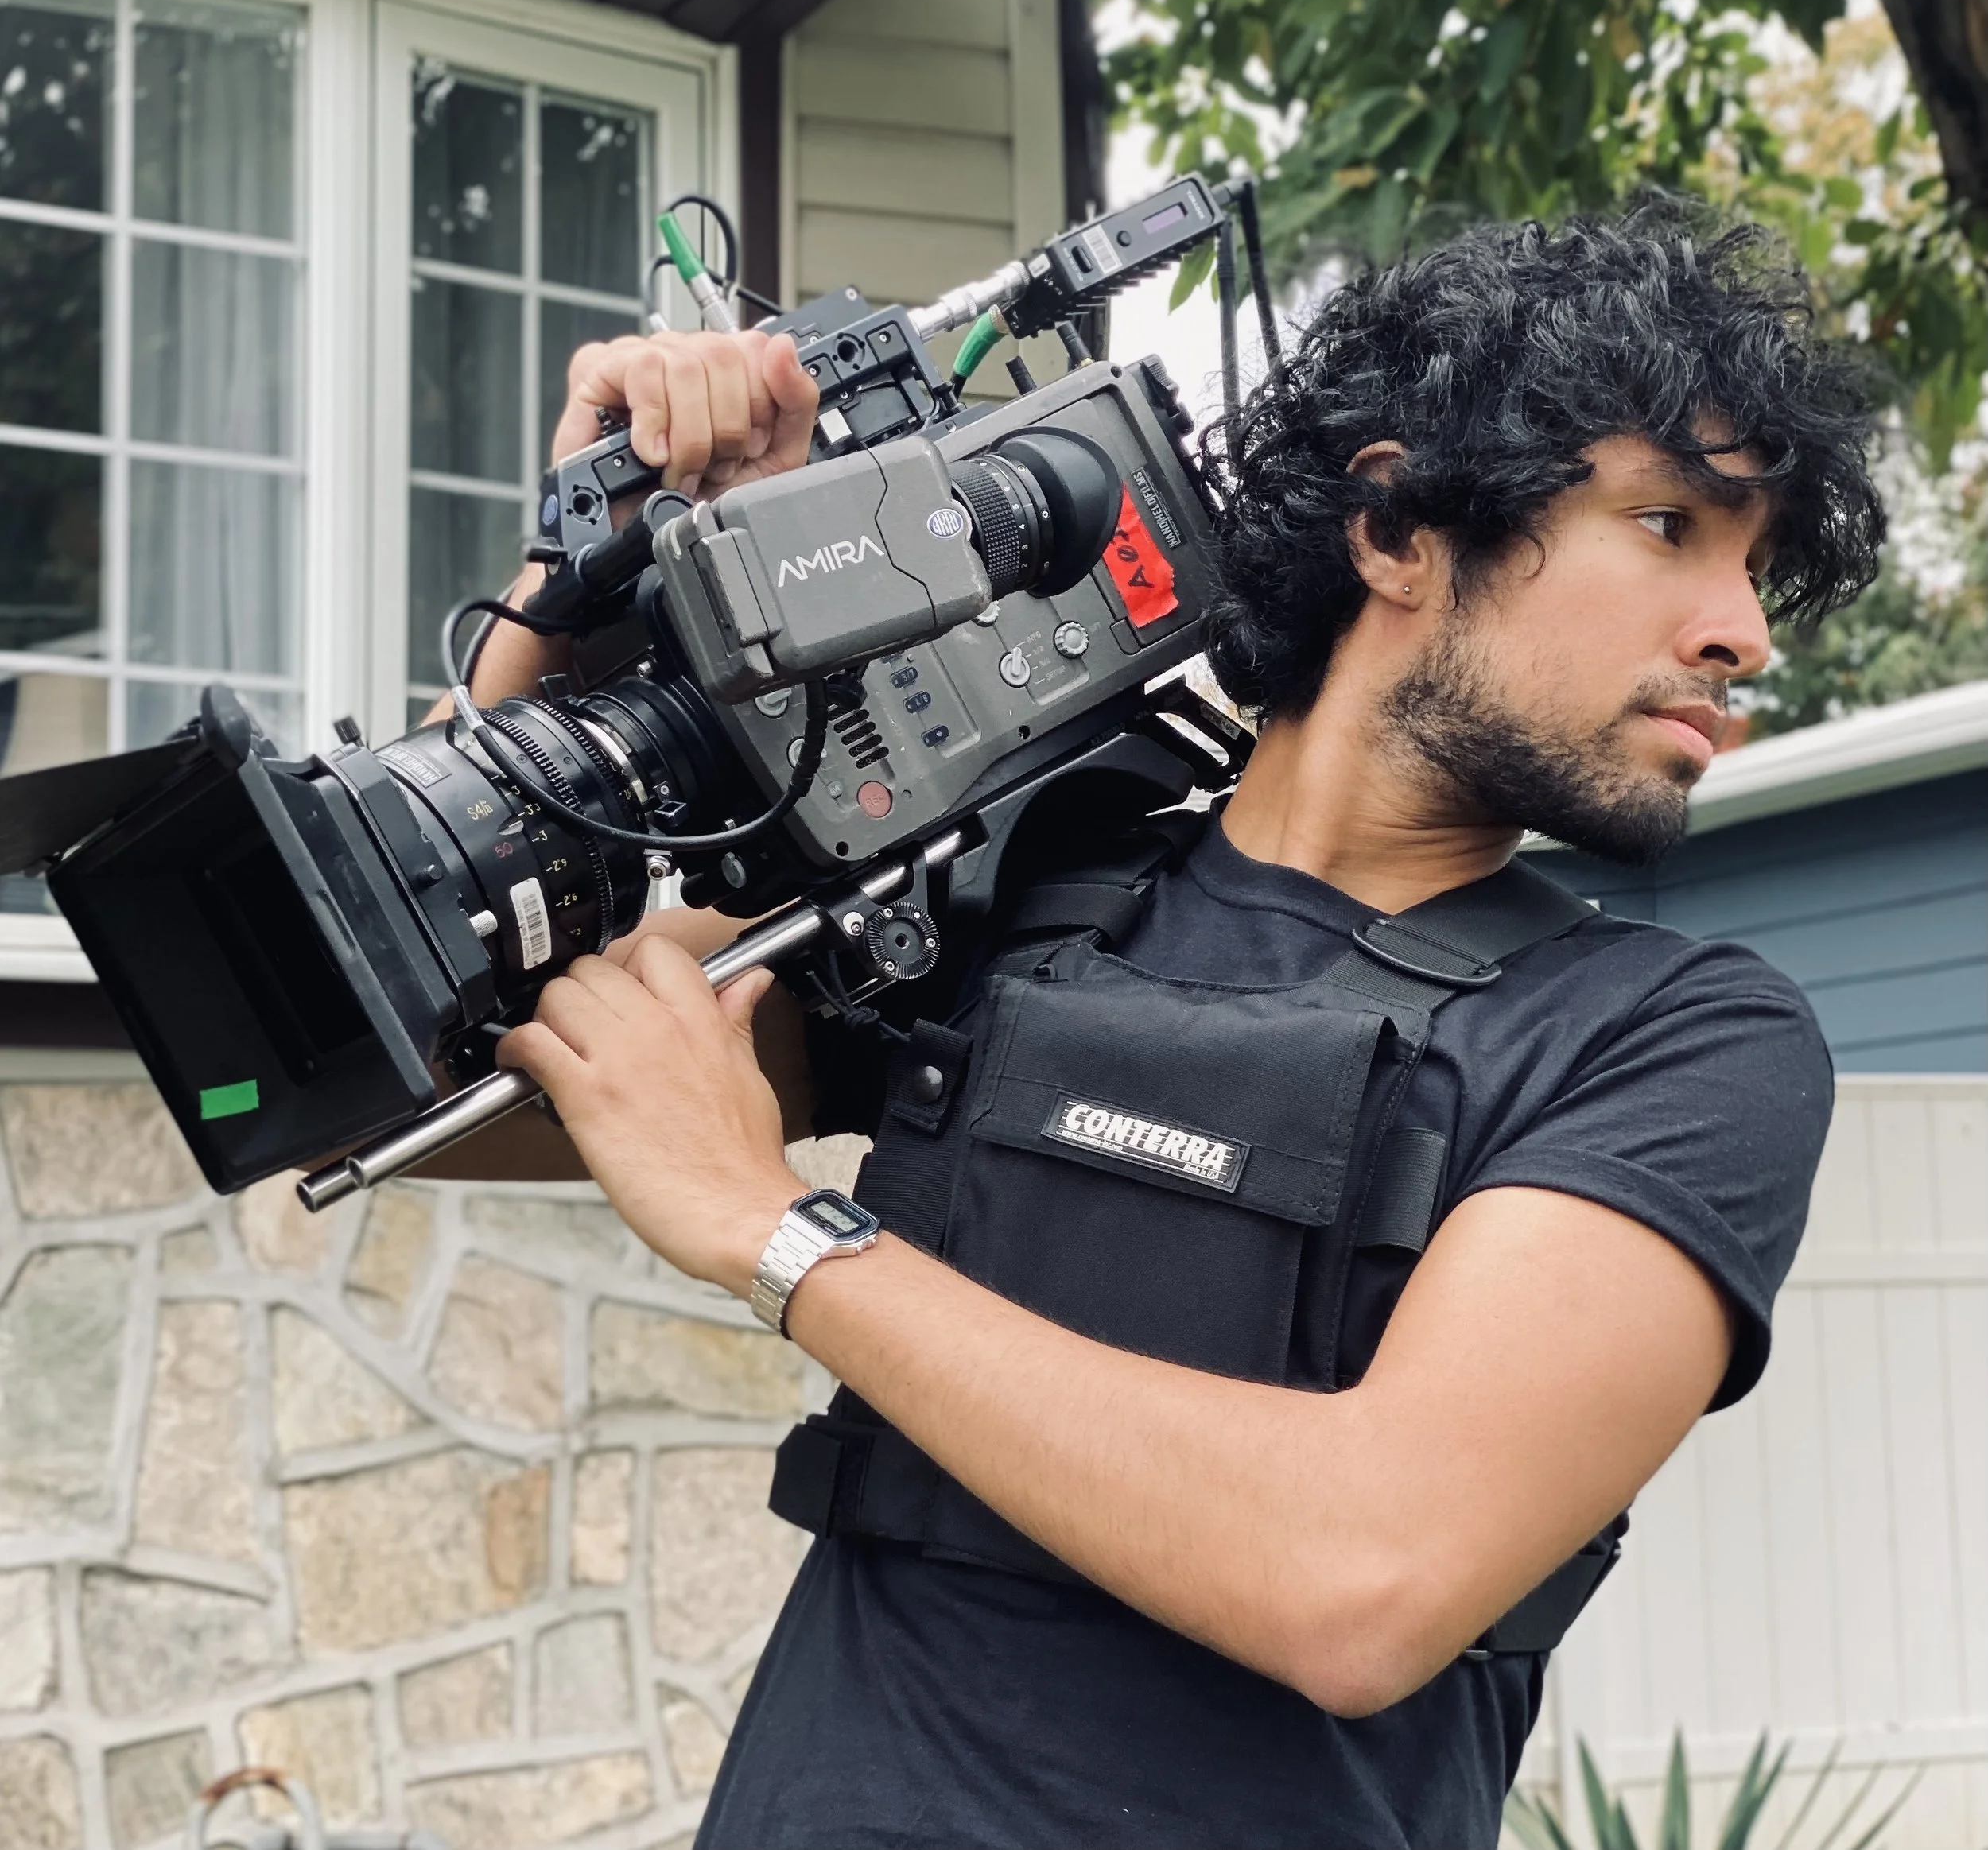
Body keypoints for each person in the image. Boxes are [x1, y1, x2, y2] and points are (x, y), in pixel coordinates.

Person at [472, 204, 1884, 1849]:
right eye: (1666, 525)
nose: (1741, 632)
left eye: (1756, 566)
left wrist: (778, 1233)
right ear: (1396, 531)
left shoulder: (1665, 1040)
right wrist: (568, 587)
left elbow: (1362, 1578)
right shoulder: (1021, 866)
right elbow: (461, 1065)